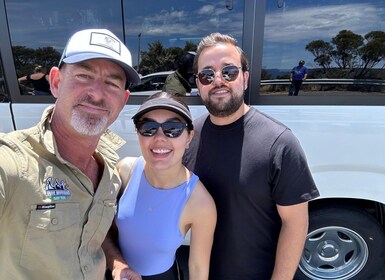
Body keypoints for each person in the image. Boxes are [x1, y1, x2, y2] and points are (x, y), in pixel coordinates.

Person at [0, 28, 140, 280]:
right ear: (55, 82)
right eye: (84, 75)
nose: (97, 93)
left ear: (123, 100)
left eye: (112, 83)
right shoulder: (13, 162)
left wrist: (117, 264)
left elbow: (93, 230)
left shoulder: (109, 165)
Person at [183, 32, 320, 280]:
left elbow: (295, 224)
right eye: (207, 74)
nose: (218, 80)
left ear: (245, 79)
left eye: (229, 72)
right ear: (198, 83)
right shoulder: (189, 137)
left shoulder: (279, 143)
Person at [102, 91, 217, 280]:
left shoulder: (200, 203)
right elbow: (102, 230)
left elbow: (197, 268)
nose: (160, 137)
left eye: (173, 128)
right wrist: (116, 264)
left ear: (189, 137)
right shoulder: (125, 171)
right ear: (137, 133)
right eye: (148, 127)